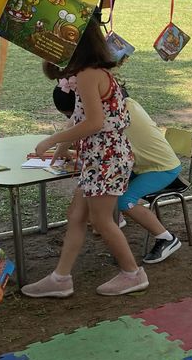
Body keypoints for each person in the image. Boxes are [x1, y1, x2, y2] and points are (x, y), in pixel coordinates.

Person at [21, 17, 149, 299]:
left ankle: (132, 273)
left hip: (106, 159)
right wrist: (63, 146)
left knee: (102, 221)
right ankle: (60, 278)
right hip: (101, 158)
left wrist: (52, 140)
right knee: (76, 215)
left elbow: (93, 122)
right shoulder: (91, 73)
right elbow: (82, 117)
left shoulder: (89, 75)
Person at [51, 83, 183, 264]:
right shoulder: (120, 103)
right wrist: (68, 150)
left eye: (69, 113)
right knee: (107, 184)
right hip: (140, 165)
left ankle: (166, 238)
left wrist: (61, 149)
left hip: (160, 168)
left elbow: (76, 127)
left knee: (124, 200)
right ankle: (114, 219)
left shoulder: (110, 115)